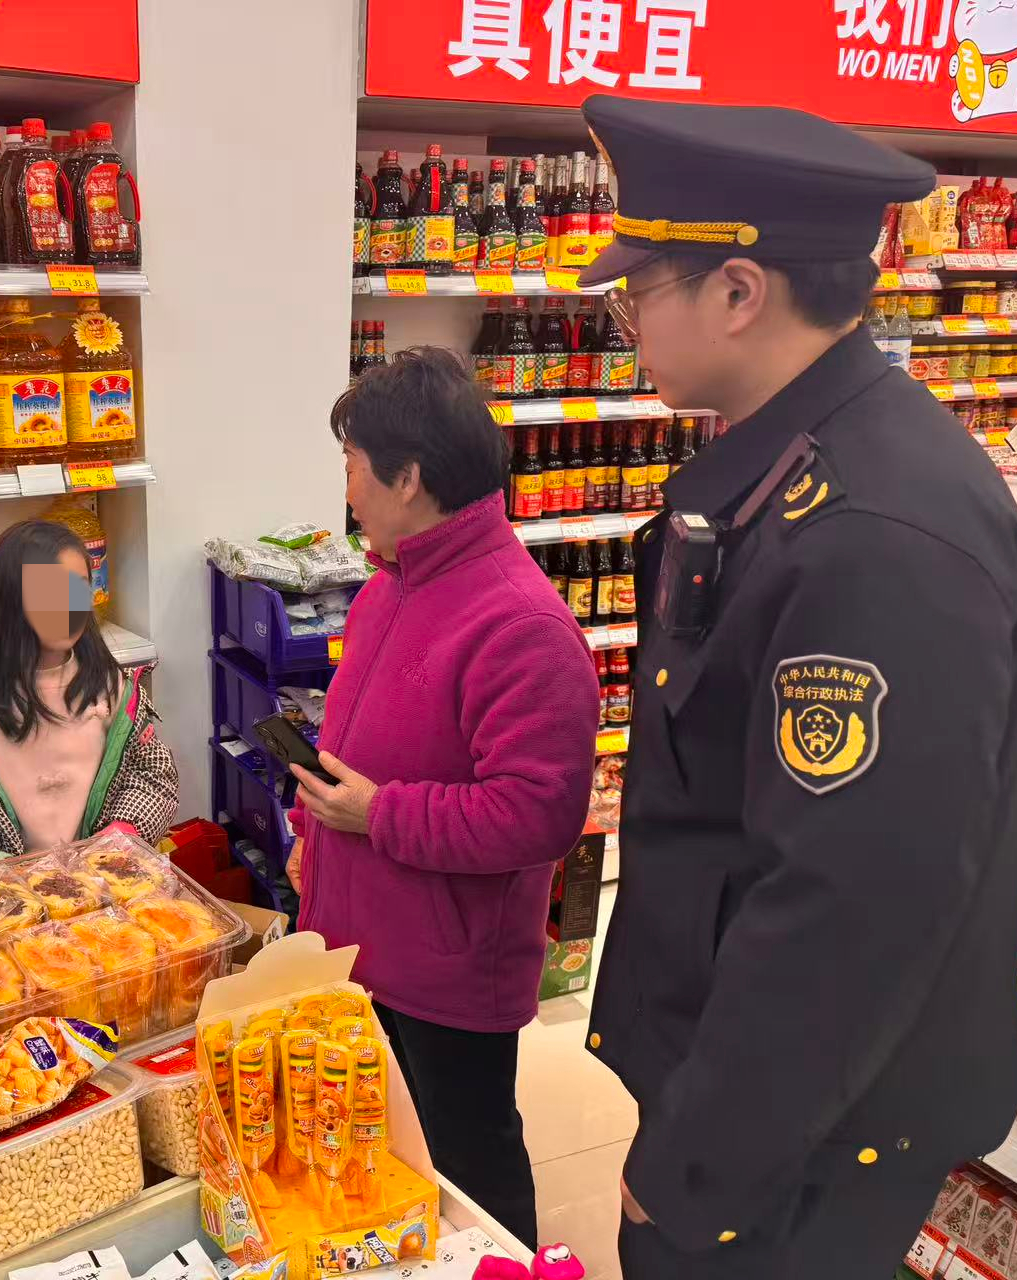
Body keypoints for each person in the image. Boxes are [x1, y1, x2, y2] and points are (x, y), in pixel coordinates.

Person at [575, 95, 1017, 1279]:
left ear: (738, 290)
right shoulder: (792, 467)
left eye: (638, 291)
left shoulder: (877, 530)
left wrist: (693, 1167)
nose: (625, 321)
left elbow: (848, 908)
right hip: (768, 1098)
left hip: (802, 1142)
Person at [285, 346, 600, 1249]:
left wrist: (376, 815)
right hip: (362, 940)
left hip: (446, 972)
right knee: (393, 1153)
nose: (347, 489)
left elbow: (539, 814)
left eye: (352, 464)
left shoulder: (520, 625)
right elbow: (362, 744)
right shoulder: (390, 584)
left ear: (408, 477)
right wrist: (315, 829)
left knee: (470, 1167)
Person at [0, 519, 178, 855]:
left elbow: (151, 774)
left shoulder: (107, 686)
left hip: (100, 872)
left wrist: (123, 831)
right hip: (5, 881)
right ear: (9, 601)